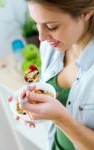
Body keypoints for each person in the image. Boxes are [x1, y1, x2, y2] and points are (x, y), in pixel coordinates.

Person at [9, 0, 94, 150]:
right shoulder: (50, 46)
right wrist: (31, 105)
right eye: (36, 23)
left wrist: (60, 118)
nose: (41, 37)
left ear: (86, 13)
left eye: (51, 26)